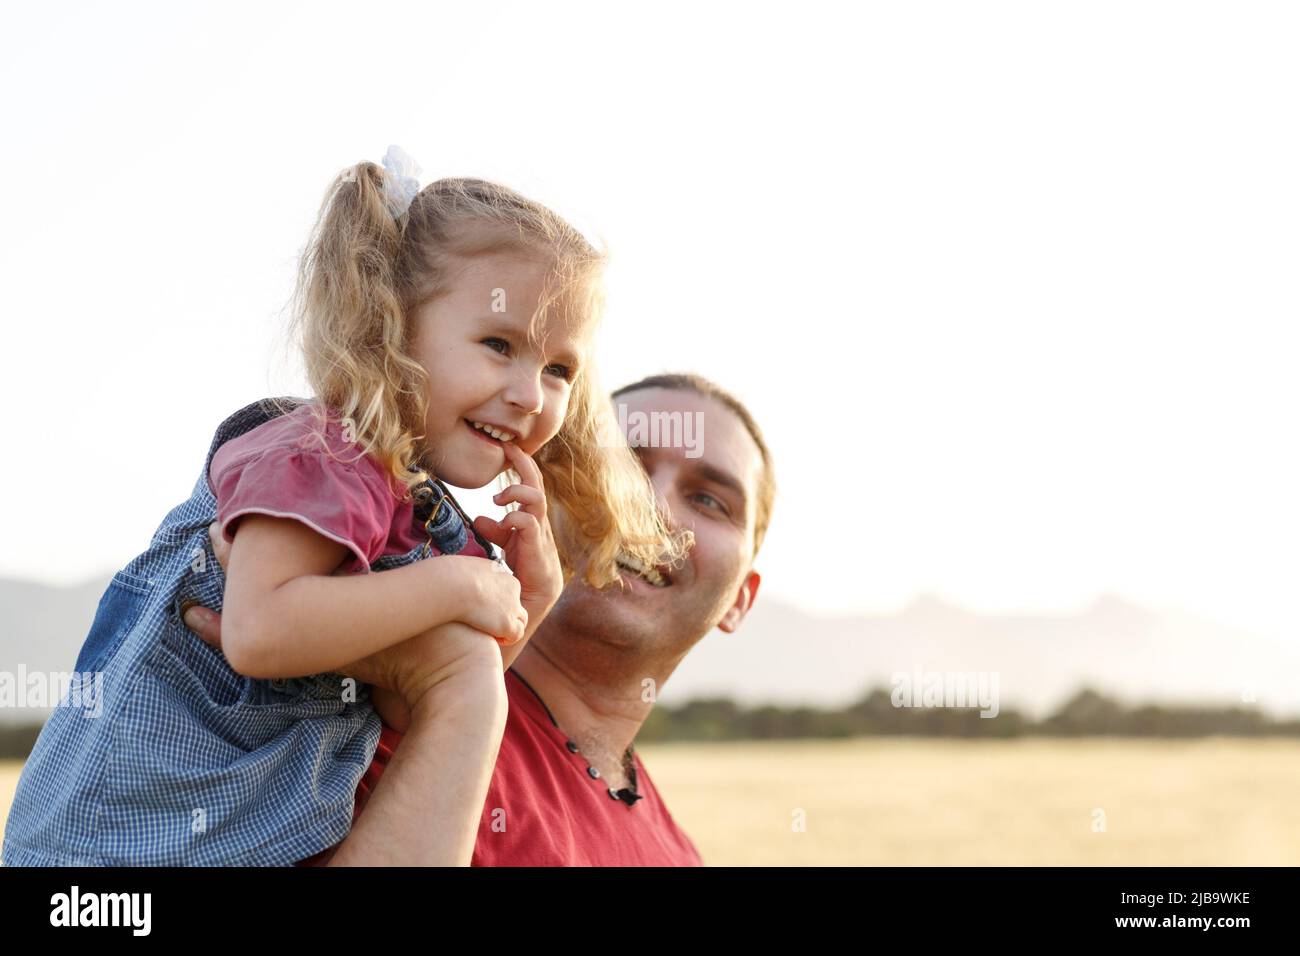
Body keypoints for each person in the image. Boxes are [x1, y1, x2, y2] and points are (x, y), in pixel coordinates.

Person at [1, 148, 683, 867]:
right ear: (390, 328)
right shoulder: (318, 455)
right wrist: (455, 586)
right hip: (114, 853)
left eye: (558, 369)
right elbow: (259, 632)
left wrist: (526, 599)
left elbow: (408, 705)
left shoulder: (413, 508)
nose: (530, 394)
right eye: (497, 344)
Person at [185, 373, 775, 865]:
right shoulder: (345, 704)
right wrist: (452, 676)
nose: (652, 507)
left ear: (741, 601)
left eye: (709, 500)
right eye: (622, 467)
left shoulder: (679, 854)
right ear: (540, 489)